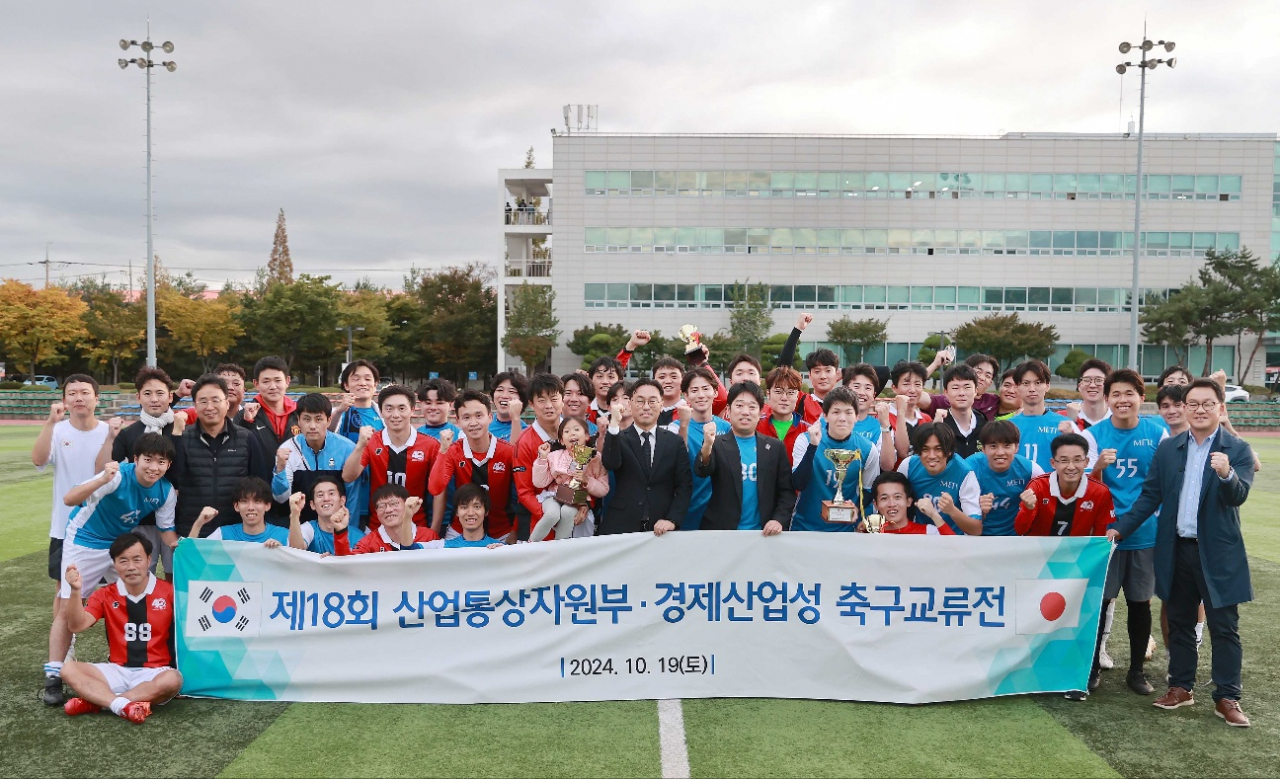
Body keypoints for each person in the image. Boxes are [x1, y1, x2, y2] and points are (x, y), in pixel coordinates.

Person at [1107, 379, 1256, 727]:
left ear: (1220, 408)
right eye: (1193, 404)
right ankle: (1181, 688)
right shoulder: (1169, 448)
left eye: (1207, 403)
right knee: (1179, 623)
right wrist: (1120, 528)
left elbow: (1239, 496)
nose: (1200, 410)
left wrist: (1226, 473)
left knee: (1224, 627)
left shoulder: (1237, 449)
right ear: (1185, 408)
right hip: (1176, 550)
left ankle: (1227, 697)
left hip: (1217, 554)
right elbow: (1150, 496)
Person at [1081, 369, 1168, 695]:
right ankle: (1091, 668)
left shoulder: (1157, 433)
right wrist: (1099, 467)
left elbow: (1163, 483)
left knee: (1140, 603)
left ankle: (1136, 671)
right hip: (1106, 536)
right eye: (1115, 394)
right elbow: (1084, 487)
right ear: (1107, 399)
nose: (1122, 400)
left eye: (1129, 393)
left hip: (1145, 533)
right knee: (1101, 604)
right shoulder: (1094, 435)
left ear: (1141, 398)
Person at [1014, 432, 1116, 702]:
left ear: (1086, 461)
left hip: (1077, 570)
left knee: (1077, 625)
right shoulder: (1037, 486)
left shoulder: (1099, 492)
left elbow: (1103, 535)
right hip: (1039, 566)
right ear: (1053, 462)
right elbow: (1020, 528)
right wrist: (1027, 508)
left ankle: (1074, 679)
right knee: (1034, 620)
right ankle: (1029, 674)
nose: (1071, 466)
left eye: (1077, 460)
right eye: (1063, 460)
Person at [32, 374, 109, 704]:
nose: (79, 398)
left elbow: (106, 471)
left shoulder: (108, 431)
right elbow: (37, 460)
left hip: (106, 529)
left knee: (115, 592)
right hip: (65, 528)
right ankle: (63, 659)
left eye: (85, 393)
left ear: (96, 398)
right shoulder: (59, 429)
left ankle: (121, 655)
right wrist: (50, 422)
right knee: (64, 593)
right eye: (72, 393)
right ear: (64, 399)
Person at [58, 533, 182, 724]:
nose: (131, 567)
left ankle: (100, 702)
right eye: (123, 561)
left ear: (149, 560)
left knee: (173, 680)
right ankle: (123, 704)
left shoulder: (169, 591)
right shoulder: (105, 594)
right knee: (67, 668)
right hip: (117, 669)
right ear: (115, 564)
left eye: (137, 559)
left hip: (156, 671)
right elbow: (76, 625)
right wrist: (75, 591)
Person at [59, 434, 178, 602]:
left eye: (161, 462)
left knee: (133, 601)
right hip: (85, 538)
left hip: (120, 545)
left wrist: (183, 546)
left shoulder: (166, 491)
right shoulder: (117, 476)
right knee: (72, 604)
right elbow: (69, 499)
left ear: (168, 465)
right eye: (148, 460)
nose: (153, 467)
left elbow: (166, 530)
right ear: (136, 459)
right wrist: (102, 480)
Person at [95, 367, 182, 576]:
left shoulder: (181, 428)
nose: (154, 399)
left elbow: (185, 472)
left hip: (175, 519)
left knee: (175, 575)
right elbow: (104, 472)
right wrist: (110, 438)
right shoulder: (128, 434)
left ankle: (171, 610)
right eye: (148, 393)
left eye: (160, 393)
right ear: (138, 397)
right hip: (138, 521)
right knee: (142, 576)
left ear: (170, 397)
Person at [167, 374, 272, 538]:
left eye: (216, 400)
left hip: (236, 532)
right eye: (203, 401)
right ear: (195, 405)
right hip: (193, 531)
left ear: (226, 403)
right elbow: (172, 479)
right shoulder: (183, 439)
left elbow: (261, 484)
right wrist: (177, 437)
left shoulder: (246, 438)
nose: (209, 407)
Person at [693, 381, 794, 534]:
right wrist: (707, 445)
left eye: (752, 407)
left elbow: (787, 492)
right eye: (739, 406)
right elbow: (702, 470)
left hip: (764, 533)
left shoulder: (775, 447)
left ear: (760, 412)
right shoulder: (717, 443)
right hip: (723, 532)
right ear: (728, 410)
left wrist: (778, 520)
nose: (745, 412)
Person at [600, 378, 692, 535]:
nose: (646, 407)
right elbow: (610, 463)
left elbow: (684, 486)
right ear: (630, 404)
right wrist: (614, 424)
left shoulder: (674, 442)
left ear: (661, 404)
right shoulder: (619, 438)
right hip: (621, 525)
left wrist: (672, 519)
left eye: (652, 401)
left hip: (662, 527)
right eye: (640, 401)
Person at [342, 384, 440, 530]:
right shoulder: (372, 441)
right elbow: (348, 476)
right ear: (381, 412)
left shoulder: (430, 445)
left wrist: (435, 528)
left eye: (401, 408)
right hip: (377, 528)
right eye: (389, 409)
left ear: (412, 410)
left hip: (417, 528)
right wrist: (360, 446)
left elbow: (439, 490)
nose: (395, 415)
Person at [428, 389, 518, 540]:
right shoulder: (453, 451)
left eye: (479, 416)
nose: (474, 423)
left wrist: (514, 532)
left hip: (501, 532)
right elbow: (435, 488)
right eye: (466, 417)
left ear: (490, 417)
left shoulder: (507, 452)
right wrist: (443, 451)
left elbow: (522, 494)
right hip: (459, 530)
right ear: (458, 421)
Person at [791, 387, 880, 532]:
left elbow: (868, 490)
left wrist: (857, 511)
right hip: (805, 527)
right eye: (836, 412)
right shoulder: (806, 440)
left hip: (845, 530)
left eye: (849, 412)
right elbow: (798, 483)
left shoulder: (868, 449)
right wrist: (813, 446)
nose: (842, 418)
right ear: (825, 415)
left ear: (857, 416)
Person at [271, 393, 357, 521]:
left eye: (318, 419)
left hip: (338, 525)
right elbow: (281, 498)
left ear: (328, 421)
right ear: (298, 421)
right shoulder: (288, 449)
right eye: (306, 419)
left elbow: (353, 495)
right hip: (301, 526)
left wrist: (349, 529)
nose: (312, 426)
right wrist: (280, 470)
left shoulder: (347, 448)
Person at [532, 416, 608, 541]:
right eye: (566, 431)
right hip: (554, 495)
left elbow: (603, 489)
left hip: (577, 499)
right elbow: (539, 483)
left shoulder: (595, 458)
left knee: (568, 513)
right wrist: (542, 458)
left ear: (587, 436)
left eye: (576, 429)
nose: (572, 433)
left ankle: (560, 549)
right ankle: (531, 544)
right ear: (562, 440)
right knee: (552, 514)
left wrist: (587, 480)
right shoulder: (554, 456)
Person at [896, 423, 982, 535]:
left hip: (953, 542)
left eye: (938, 449)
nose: (932, 455)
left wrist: (952, 510)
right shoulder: (908, 465)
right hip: (920, 537)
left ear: (949, 451)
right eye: (925, 449)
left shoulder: (964, 473)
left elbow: (976, 529)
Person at [512, 373, 568, 540]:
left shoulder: (575, 432)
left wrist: (581, 505)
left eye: (554, 398)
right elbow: (524, 492)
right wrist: (550, 518)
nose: (548, 405)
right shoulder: (524, 441)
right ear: (531, 404)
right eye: (542, 400)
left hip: (571, 517)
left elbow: (582, 474)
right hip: (537, 522)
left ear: (563, 400)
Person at [965, 420, 1044, 537]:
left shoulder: (1030, 469)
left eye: (1007, 446)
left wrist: (1031, 506)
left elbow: (1047, 500)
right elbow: (954, 512)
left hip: (1014, 539)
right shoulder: (969, 469)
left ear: (1016, 447)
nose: (1000, 452)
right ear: (983, 449)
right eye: (993, 446)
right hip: (976, 539)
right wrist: (976, 511)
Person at [678, 367, 732, 530]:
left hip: (718, 511)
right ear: (685, 395)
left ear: (715, 392)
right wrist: (684, 426)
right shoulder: (675, 428)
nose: (701, 395)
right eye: (694, 390)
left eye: (706, 389)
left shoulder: (727, 428)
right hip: (686, 508)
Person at [330, 360, 383, 525]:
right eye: (356, 378)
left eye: (368, 378)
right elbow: (325, 435)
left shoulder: (385, 415)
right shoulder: (338, 414)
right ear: (346, 385)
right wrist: (339, 410)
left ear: (375, 384)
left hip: (377, 489)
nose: (362, 383)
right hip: (347, 490)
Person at [335, 485, 438, 554]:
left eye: (393, 504)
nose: (388, 510)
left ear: (407, 504)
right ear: (376, 513)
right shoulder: (368, 543)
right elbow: (348, 566)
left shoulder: (429, 536)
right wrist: (340, 532)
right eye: (381, 506)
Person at [190, 477, 292, 545]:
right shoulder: (223, 534)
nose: (251, 507)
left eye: (257, 501)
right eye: (244, 501)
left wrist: (282, 553)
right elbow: (190, 556)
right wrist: (199, 523)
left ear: (267, 506)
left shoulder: (283, 535)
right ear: (236, 506)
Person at [243, 356, 300, 473]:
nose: (273, 387)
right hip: (259, 486)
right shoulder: (245, 416)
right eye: (266, 381)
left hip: (296, 486)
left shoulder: (300, 413)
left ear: (287, 381)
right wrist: (246, 423)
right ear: (256, 383)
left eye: (278, 380)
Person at [1009, 360, 1066, 470]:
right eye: (1026, 383)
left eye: (1038, 383)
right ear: (1017, 387)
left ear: (1047, 386)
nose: (1032, 389)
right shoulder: (1008, 426)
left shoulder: (1063, 425)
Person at [287, 474, 365, 554]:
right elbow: (295, 552)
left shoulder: (358, 537)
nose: (326, 499)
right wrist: (295, 513)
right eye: (320, 495)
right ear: (312, 505)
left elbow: (358, 565)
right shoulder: (309, 529)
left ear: (342, 501)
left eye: (331, 493)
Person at [842, 362, 896, 473]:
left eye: (868, 388)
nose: (861, 393)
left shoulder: (880, 427)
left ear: (874, 395)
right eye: (856, 386)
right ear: (845, 390)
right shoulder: (831, 421)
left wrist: (885, 426)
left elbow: (888, 466)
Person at [920, 354, 1002, 421]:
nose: (982, 377)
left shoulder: (994, 401)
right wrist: (935, 364)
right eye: (978, 372)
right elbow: (913, 394)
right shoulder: (946, 400)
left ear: (990, 383)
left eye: (988, 375)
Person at [869, 472, 956, 535]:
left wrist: (934, 515)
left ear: (908, 502)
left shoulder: (928, 532)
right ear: (876, 505)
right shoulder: (869, 535)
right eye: (884, 498)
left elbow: (956, 551)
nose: (891, 504)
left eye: (897, 497)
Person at [932, 364, 987, 459]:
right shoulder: (941, 422)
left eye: (967, 387)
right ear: (946, 392)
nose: (961, 393)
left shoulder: (984, 423)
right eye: (955, 388)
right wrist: (936, 428)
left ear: (976, 391)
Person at [759, 366, 810, 458]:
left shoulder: (808, 431)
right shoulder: (756, 427)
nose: (784, 398)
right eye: (778, 391)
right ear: (768, 393)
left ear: (797, 396)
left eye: (790, 392)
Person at [887, 361, 933, 463]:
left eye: (917, 384)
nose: (912, 390)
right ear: (894, 388)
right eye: (906, 384)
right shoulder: (884, 417)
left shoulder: (926, 419)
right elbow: (903, 453)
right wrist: (901, 412)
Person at [443, 483, 504, 548]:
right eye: (464, 507)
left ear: (486, 511)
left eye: (477, 506)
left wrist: (501, 553)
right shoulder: (444, 548)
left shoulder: (501, 548)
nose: (470, 513)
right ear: (457, 512)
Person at [1065, 358, 1113, 430]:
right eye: (1087, 380)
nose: (1092, 385)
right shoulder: (1062, 417)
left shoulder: (1118, 419)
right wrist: (1071, 421)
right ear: (1079, 387)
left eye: (1099, 380)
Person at [800, 348, 841, 424]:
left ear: (837, 374)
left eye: (828, 371)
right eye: (817, 371)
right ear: (809, 375)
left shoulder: (845, 403)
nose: (823, 376)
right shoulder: (801, 401)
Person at [488, 371, 528, 446]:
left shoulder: (525, 431)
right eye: (500, 390)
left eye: (512, 391)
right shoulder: (484, 423)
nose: (504, 396)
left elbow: (516, 454)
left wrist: (515, 418)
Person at [416, 377, 461, 442]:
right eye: (428, 403)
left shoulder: (459, 436)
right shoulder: (414, 436)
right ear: (421, 405)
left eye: (439, 403)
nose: (433, 407)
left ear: (450, 405)